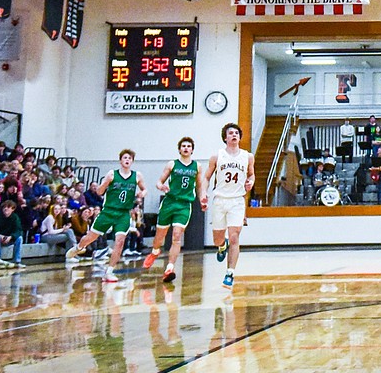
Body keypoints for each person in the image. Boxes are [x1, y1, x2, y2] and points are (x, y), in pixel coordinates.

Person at [66, 149, 145, 284]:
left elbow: (144, 189)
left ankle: (109, 271)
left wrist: (142, 193)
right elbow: (99, 192)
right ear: (120, 160)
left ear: (132, 161)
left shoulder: (137, 176)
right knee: (91, 237)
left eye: (130, 158)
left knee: (119, 242)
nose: (127, 160)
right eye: (125, 157)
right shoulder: (112, 174)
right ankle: (78, 248)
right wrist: (105, 183)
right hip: (108, 211)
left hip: (123, 214)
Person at [144, 136, 205, 283]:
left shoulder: (197, 166)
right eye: (183, 146)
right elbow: (160, 181)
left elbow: (200, 185)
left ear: (192, 150)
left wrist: (203, 197)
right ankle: (155, 251)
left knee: (177, 236)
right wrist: (161, 186)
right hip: (169, 202)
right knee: (160, 236)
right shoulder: (172, 164)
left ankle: (170, 268)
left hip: (184, 205)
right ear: (179, 149)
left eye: (188, 146)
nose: (186, 148)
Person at [203, 123, 255, 289]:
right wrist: (204, 193)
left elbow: (252, 174)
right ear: (225, 138)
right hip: (220, 199)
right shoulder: (217, 156)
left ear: (239, 137)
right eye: (230, 133)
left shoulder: (247, 157)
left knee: (234, 236)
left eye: (236, 133)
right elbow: (206, 177)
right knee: (218, 238)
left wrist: (251, 181)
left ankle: (229, 273)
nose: (234, 135)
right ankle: (221, 245)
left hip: (237, 200)